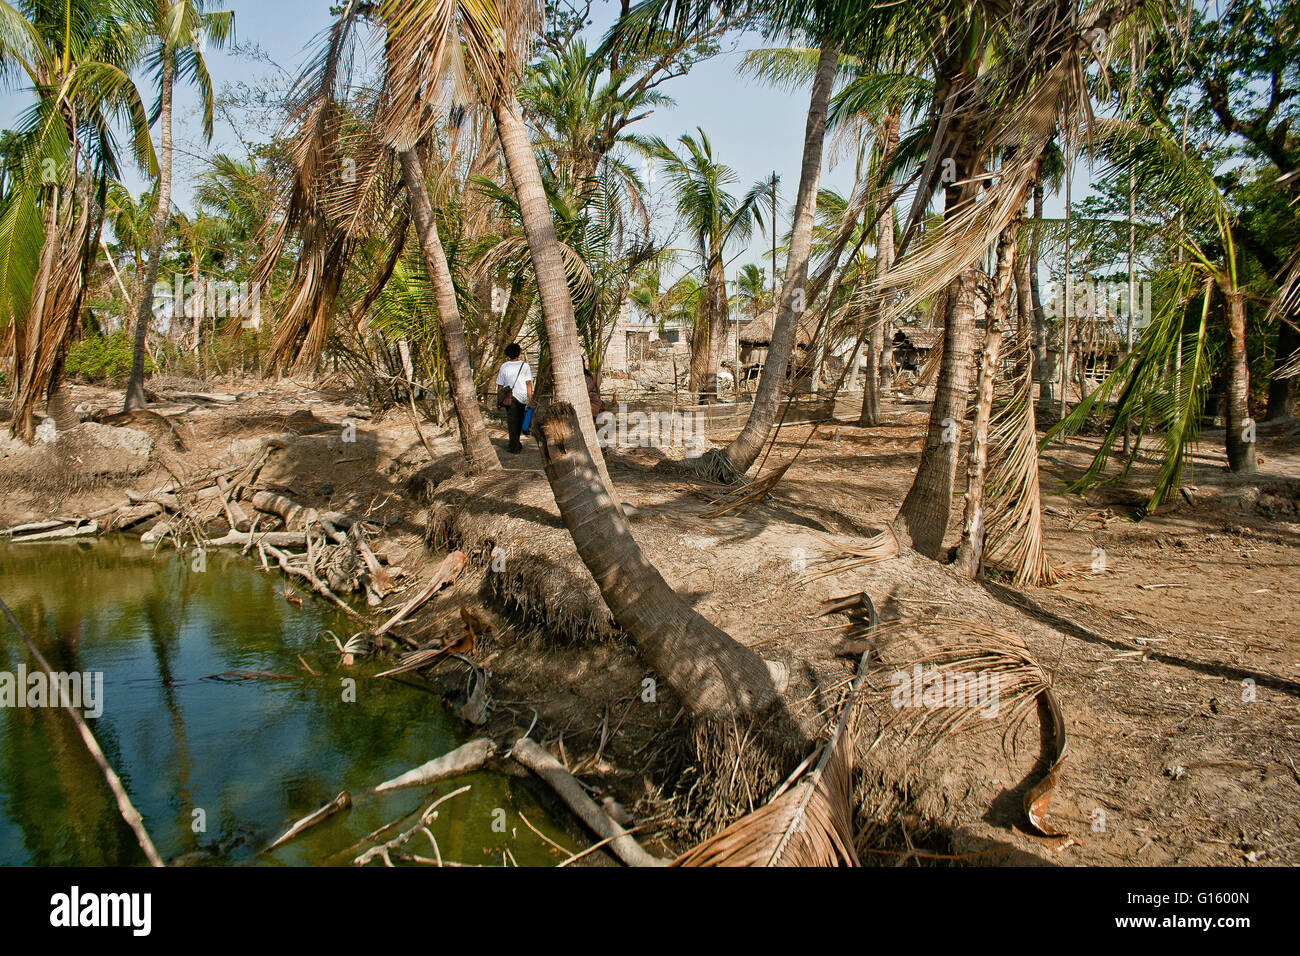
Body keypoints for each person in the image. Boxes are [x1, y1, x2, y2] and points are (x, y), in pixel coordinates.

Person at [496, 343, 533, 453]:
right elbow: (528, 383)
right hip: (522, 397)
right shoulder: (525, 366)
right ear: (519, 353)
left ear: (508, 354)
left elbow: (500, 385)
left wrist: (499, 400)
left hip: (509, 397)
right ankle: (516, 443)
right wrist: (530, 399)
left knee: (512, 422)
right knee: (520, 420)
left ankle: (514, 446)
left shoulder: (504, 366)